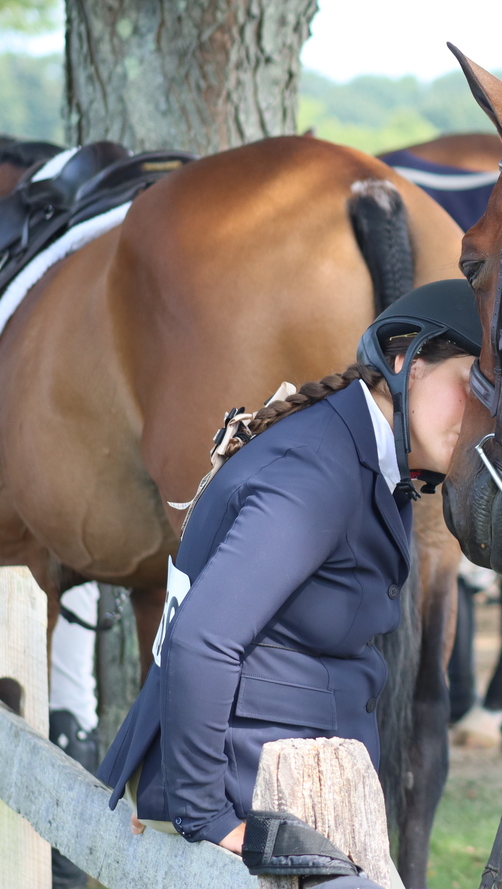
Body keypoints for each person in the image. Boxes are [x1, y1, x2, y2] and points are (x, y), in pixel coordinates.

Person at [97, 279, 482, 854]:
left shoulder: (367, 456)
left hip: (298, 784)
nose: (481, 419)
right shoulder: (319, 466)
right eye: (471, 386)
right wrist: (208, 817)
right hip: (254, 789)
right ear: (410, 362)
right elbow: (201, 640)